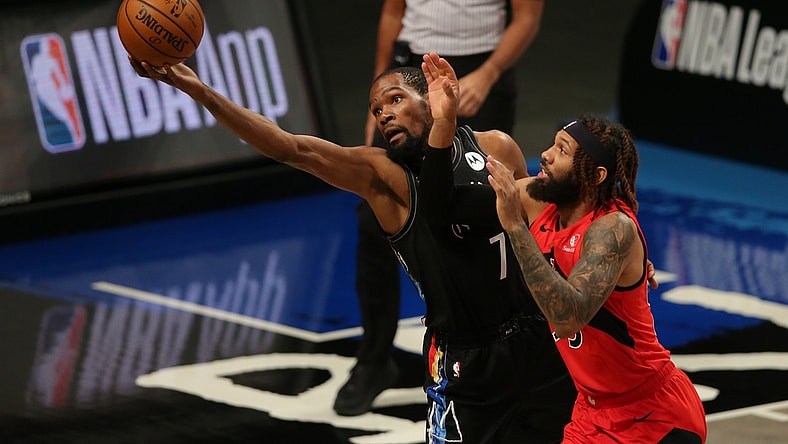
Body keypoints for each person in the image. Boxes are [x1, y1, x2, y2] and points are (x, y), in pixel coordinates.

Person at [129, 52, 575, 443]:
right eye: (376, 110)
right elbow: (290, 148)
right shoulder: (381, 175)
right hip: (465, 357)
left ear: (431, 98)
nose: (384, 115)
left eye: (395, 100)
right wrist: (199, 90)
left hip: (535, 337)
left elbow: (540, 229)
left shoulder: (496, 146)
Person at [336, 0, 544, 417]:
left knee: (491, 209)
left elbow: (527, 17)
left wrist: (489, 72)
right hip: (410, 70)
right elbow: (393, 13)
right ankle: (374, 360)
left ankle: (519, 331)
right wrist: (380, 98)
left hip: (481, 68)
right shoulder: (393, 105)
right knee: (371, 222)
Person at [479, 115, 708, 442]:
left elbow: (567, 318)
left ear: (596, 175)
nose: (545, 154)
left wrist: (516, 227)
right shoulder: (540, 202)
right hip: (592, 410)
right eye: (553, 144)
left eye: (562, 150)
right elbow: (458, 202)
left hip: (652, 415)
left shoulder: (613, 229)